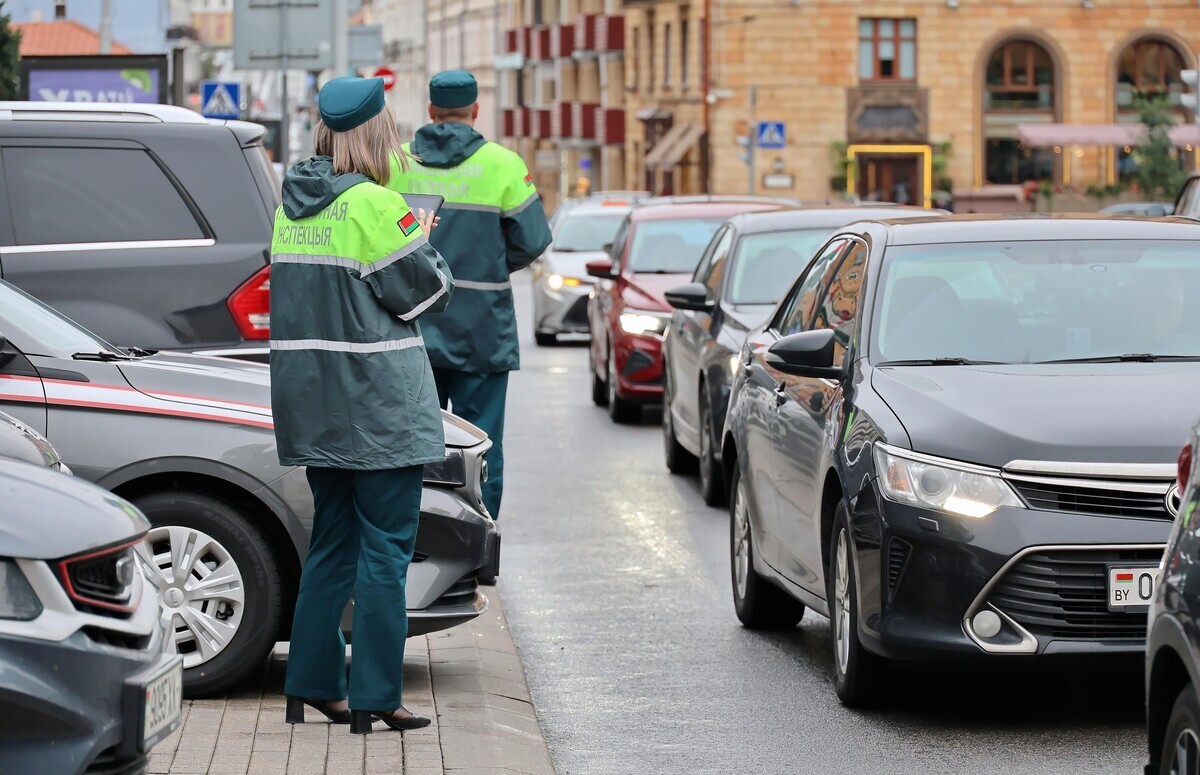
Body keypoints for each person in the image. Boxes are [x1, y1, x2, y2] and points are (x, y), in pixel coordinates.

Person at [269, 75, 454, 735]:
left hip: (312, 403)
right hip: (379, 409)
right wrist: (421, 235)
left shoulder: (291, 205)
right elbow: (426, 293)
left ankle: (313, 684)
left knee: (332, 544)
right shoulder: (377, 204)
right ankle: (375, 693)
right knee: (386, 551)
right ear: (378, 132)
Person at [388, 70, 552, 520]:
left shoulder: (395, 164)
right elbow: (533, 240)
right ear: (475, 111)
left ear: (430, 111)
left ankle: (423, 543)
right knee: (481, 444)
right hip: (482, 330)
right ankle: (479, 547)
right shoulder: (503, 165)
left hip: (410, 328)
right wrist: (490, 265)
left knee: (415, 445)